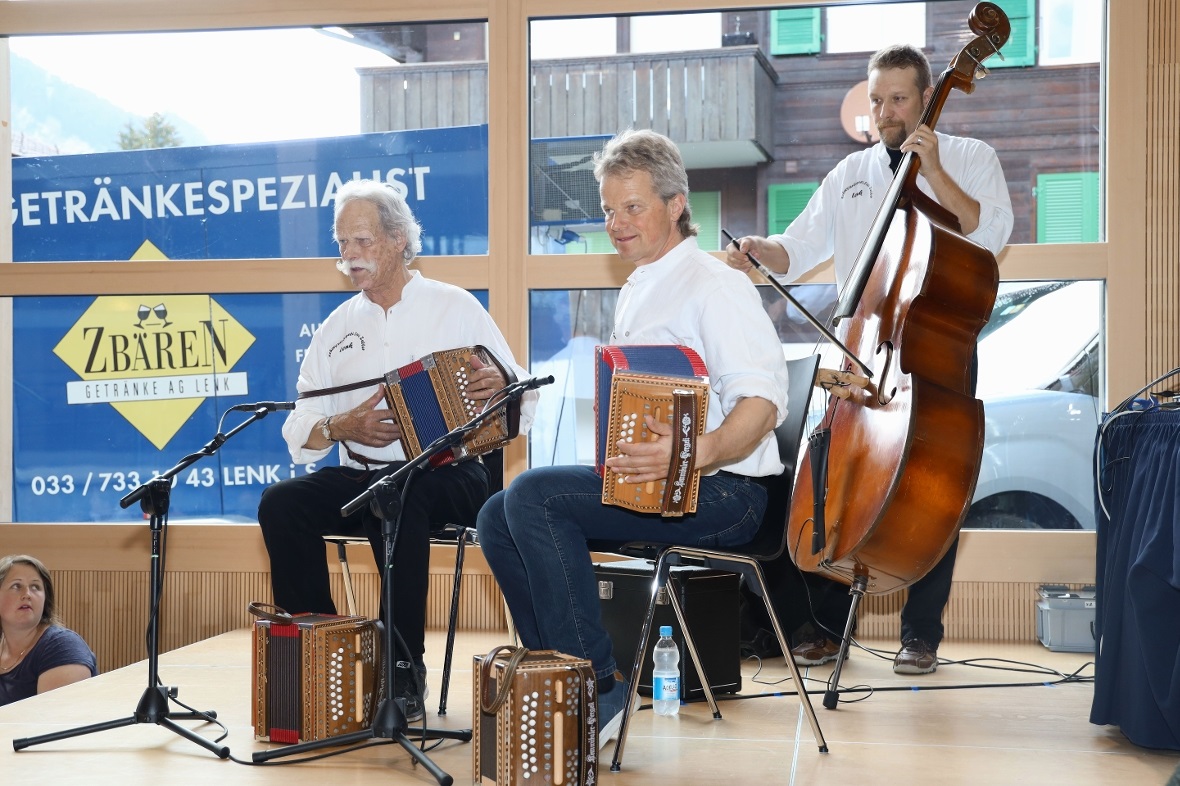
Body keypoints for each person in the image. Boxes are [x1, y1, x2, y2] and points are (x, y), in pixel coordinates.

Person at [477, 128, 790, 749]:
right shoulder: (641, 286)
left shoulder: (715, 284)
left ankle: (595, 691)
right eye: (608, 210)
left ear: (677, 205)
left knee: (534, 496)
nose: (616, 224)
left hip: (728, 493)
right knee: (495, 514)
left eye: (633, 207)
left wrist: (691, 454)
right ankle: (561, 680)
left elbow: (762, 403)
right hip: (660, 483)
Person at [726, 44, 1013, 675]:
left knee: (936, 486)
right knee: (843, 477)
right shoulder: (849, 172)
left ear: (927, 96)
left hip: (934, 349)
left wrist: (934, 170)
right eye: (877, 99)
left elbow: (989, 239)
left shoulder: (970, 158)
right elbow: (797, 249)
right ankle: (830, 629)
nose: (885, 112)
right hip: (863, 346)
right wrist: (758, 251)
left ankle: (920, 635)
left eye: (899, 99)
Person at [257, 179, 537, 722]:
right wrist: (342, 425)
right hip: (364, 475)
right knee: (280, 503)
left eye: (360, 241)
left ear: (399, 240)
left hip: (450, 476)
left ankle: (402, 671)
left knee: (403, 495)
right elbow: (301, 426)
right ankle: (321, 652)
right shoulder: (336, 328)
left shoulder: (454, 307)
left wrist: (496, 383)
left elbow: (520, 394)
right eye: (341, 244)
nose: (348, 256)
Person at [0, 554, 98, 706]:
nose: (27, 594)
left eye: (35, 587)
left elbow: (56, 723)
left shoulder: (63, 646)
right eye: (16, 586)